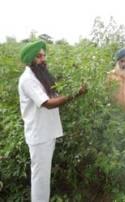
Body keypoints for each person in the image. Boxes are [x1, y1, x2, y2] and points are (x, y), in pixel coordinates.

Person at [18, 40, 87, 202]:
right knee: (40, 180)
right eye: (39, 56)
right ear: (30, 60)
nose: (43, 59)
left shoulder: (40, 76)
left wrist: (73, 76)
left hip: (47, 133)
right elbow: (47, 104)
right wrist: (76, 93)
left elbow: (56, 93)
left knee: (43, 177)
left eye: (44, 55)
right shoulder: (28, 79)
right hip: (40, 136)